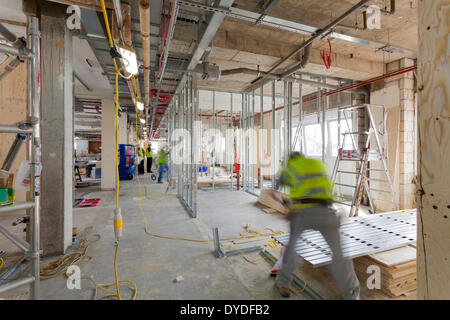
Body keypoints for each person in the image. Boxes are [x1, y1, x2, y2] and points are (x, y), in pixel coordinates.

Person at [271, 152, 360, 300]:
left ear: (290, 160)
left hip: (303, 213)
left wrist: (287, 205)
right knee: (339, 255)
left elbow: (275, 194)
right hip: (327, 212)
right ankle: (351, 295)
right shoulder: (317, 164)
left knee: (292, 248)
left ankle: (284, 284)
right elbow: (327, 191)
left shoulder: (289, 168)